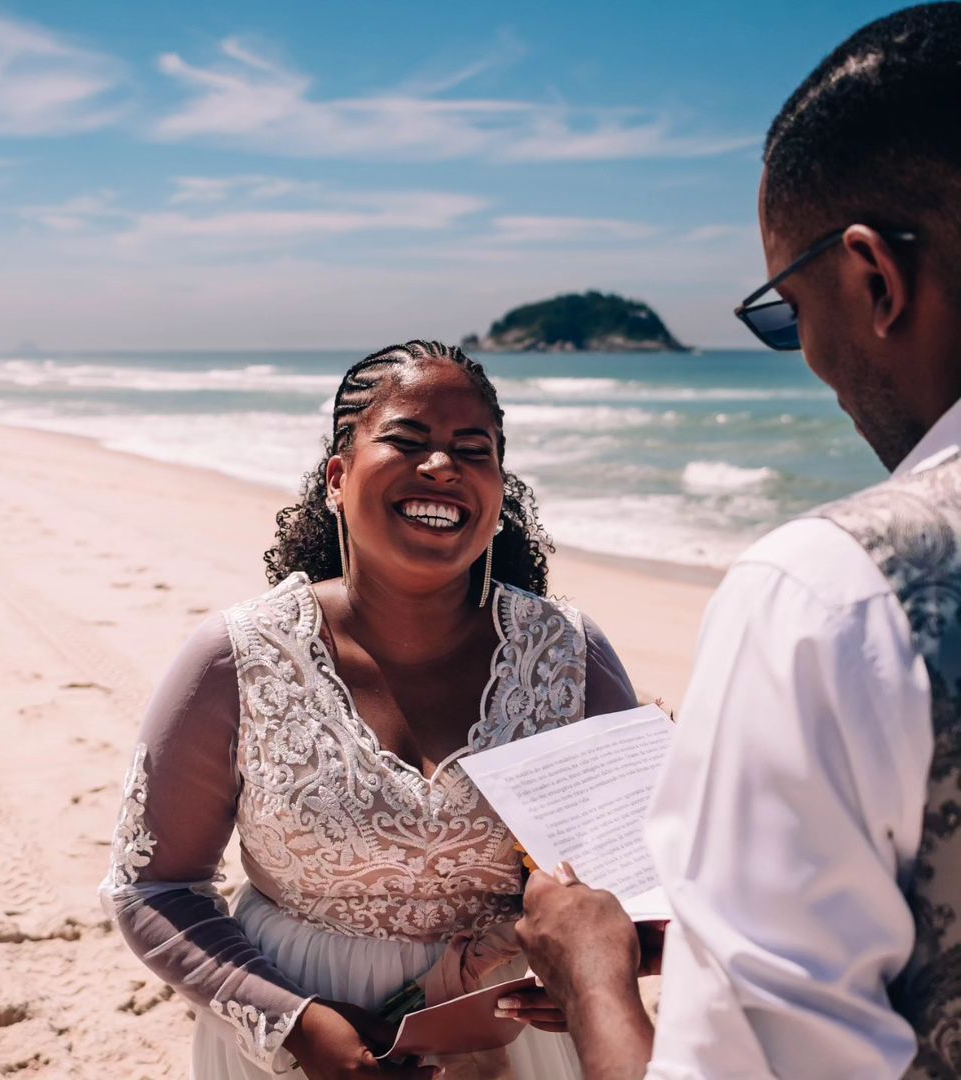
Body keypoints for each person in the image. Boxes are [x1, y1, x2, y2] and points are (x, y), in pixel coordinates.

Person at [514, 5, 961, 1078]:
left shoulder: (832, 595)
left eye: (786, 315)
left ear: (874, 282)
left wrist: (593, 976)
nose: (808, 359)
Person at [100, 340, 637, 1079]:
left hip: (517, 1043)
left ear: (498, 489)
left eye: (470, 450)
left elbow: (636, 893)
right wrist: (292, 1022)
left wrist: (587, 972)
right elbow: (153, 886)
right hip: (294, 1038)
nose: (442, 466)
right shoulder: (238, 657)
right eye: (407, 441)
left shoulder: (571, 657)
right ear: (336, 477)